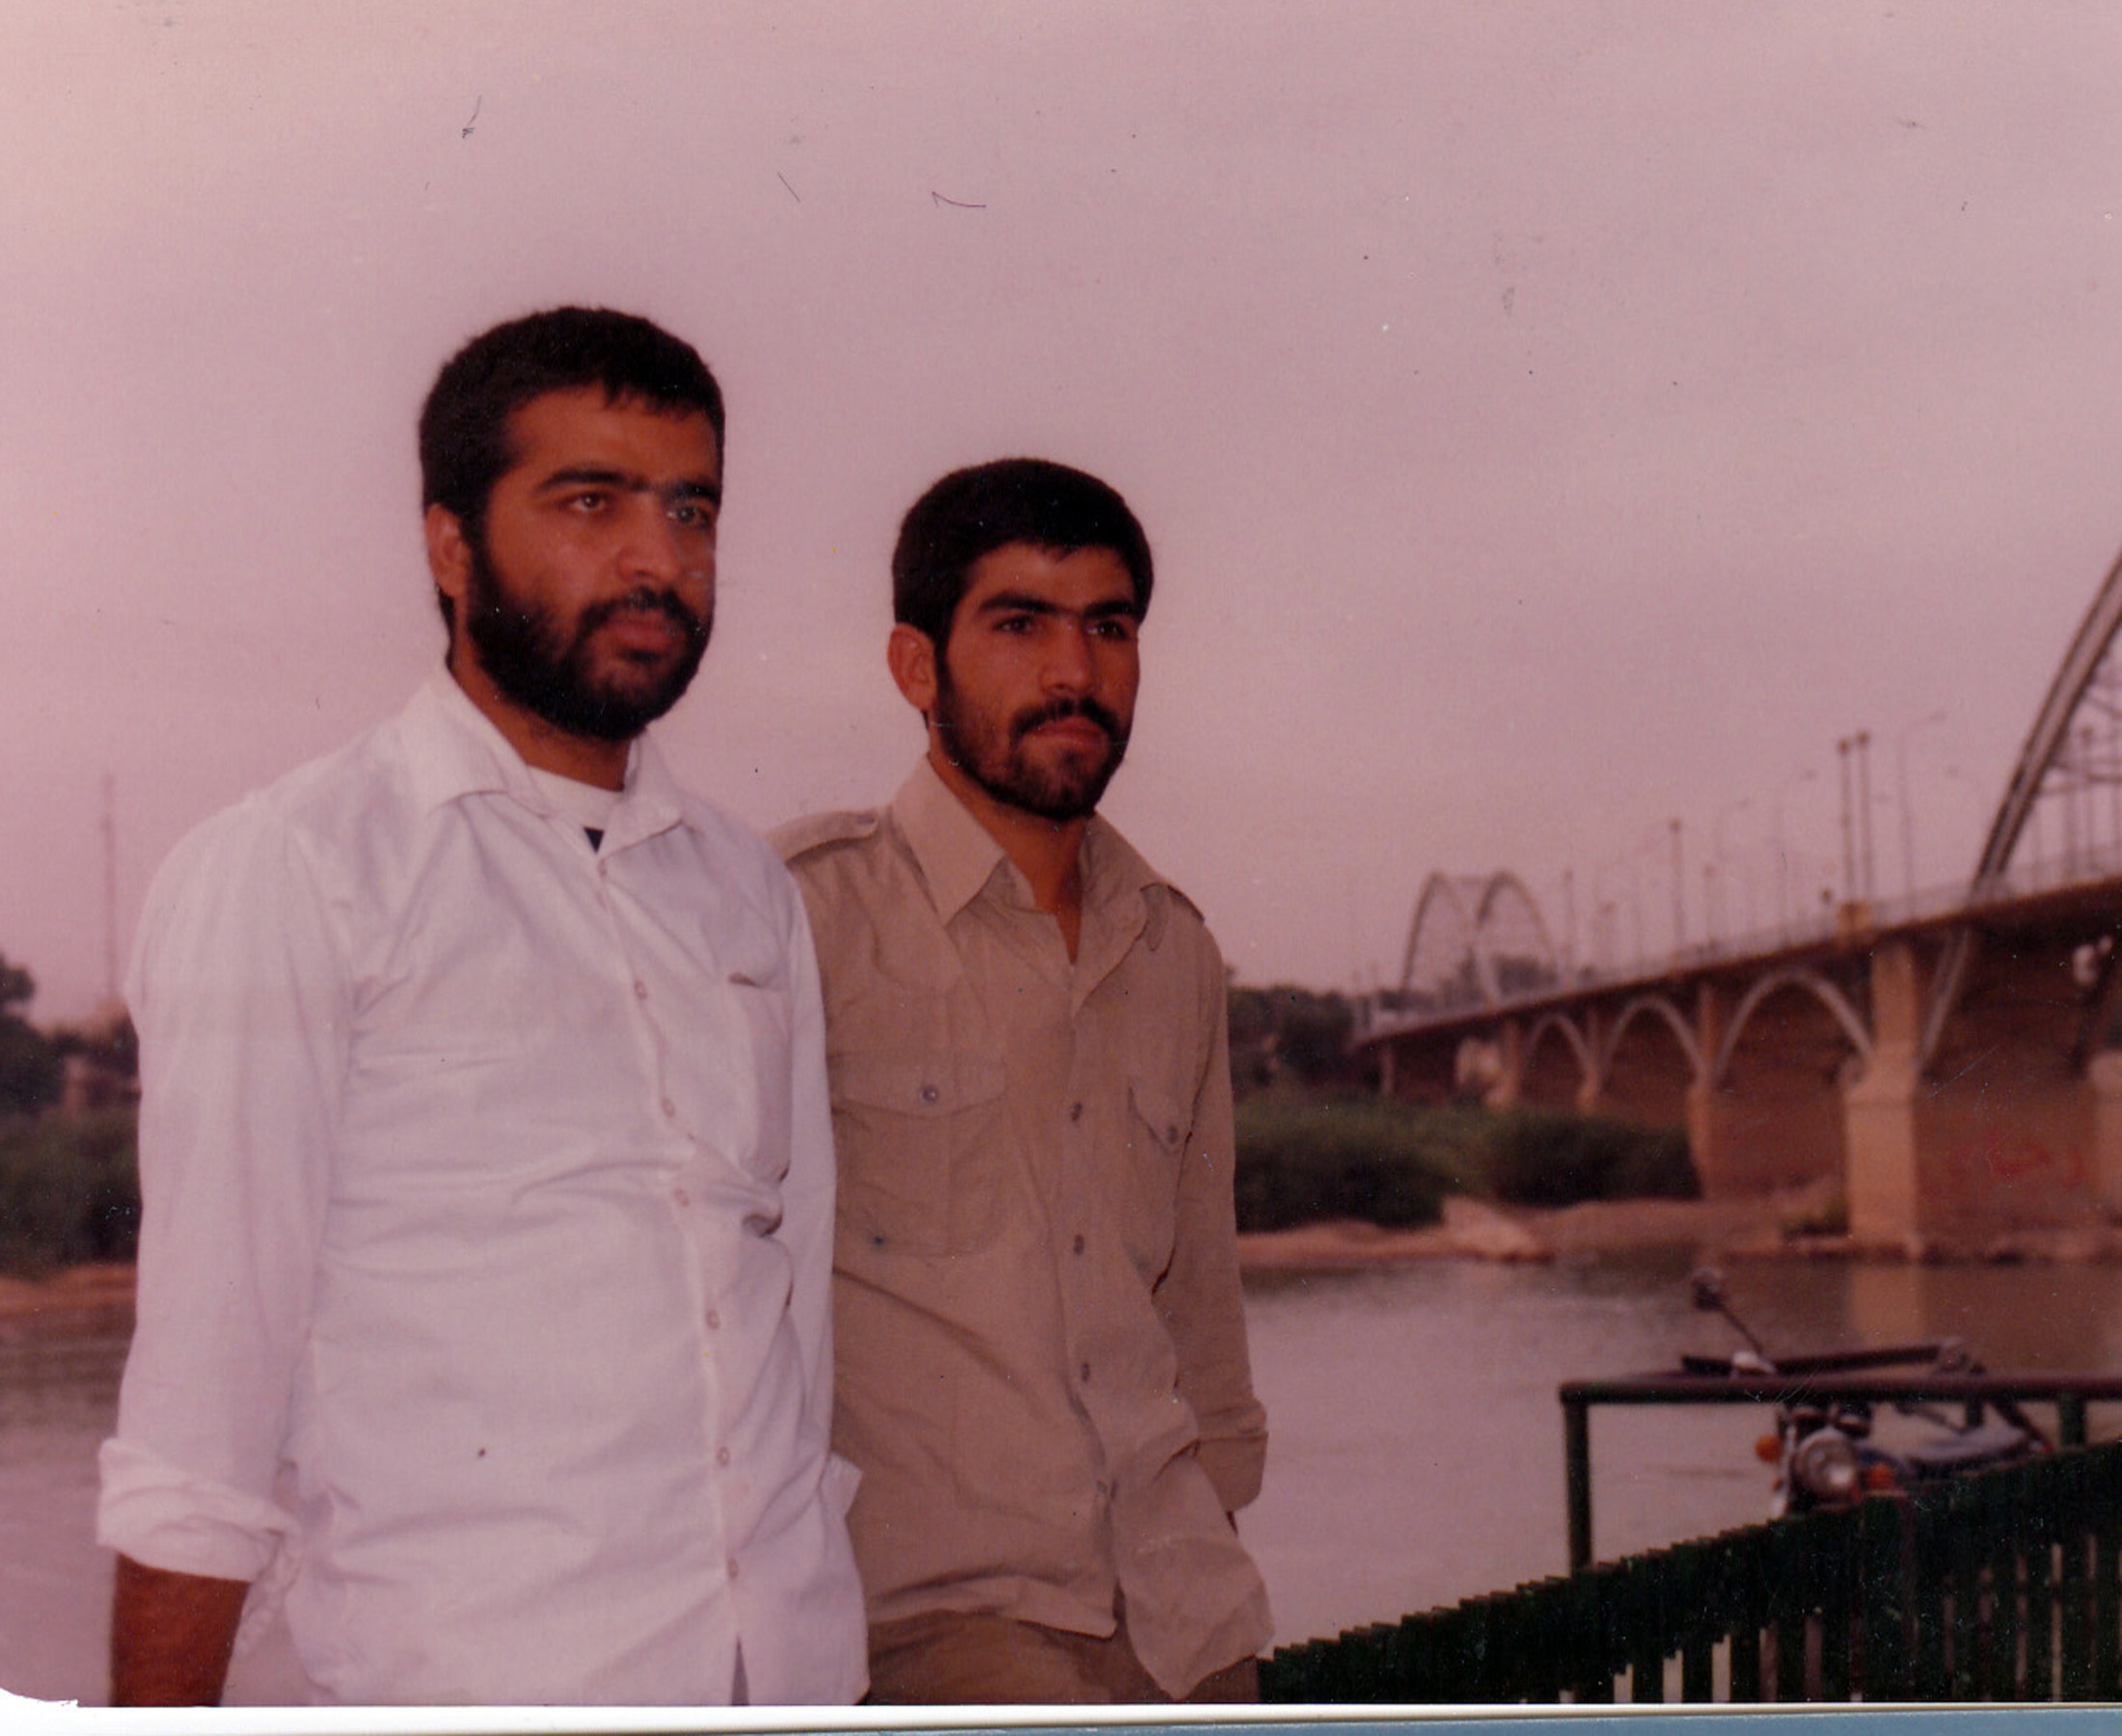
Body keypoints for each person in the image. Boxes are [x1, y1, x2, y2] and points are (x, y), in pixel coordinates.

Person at [97, 308, 866, 1707]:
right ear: (450, 547)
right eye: (590, 502)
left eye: (690, 509)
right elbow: (201, 1429)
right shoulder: (302, 872)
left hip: (792, 1681)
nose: (656, 559)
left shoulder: (744, 891)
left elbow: (794, 1315)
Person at [774, 458, 1271, 1703]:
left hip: (1190, 1627)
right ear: (915, 666)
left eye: (1109, 628)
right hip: (937, 1634)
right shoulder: (799, 920)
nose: (1074, 673)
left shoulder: (1173, 949)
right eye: (1019, 625)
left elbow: (1200, 1308)